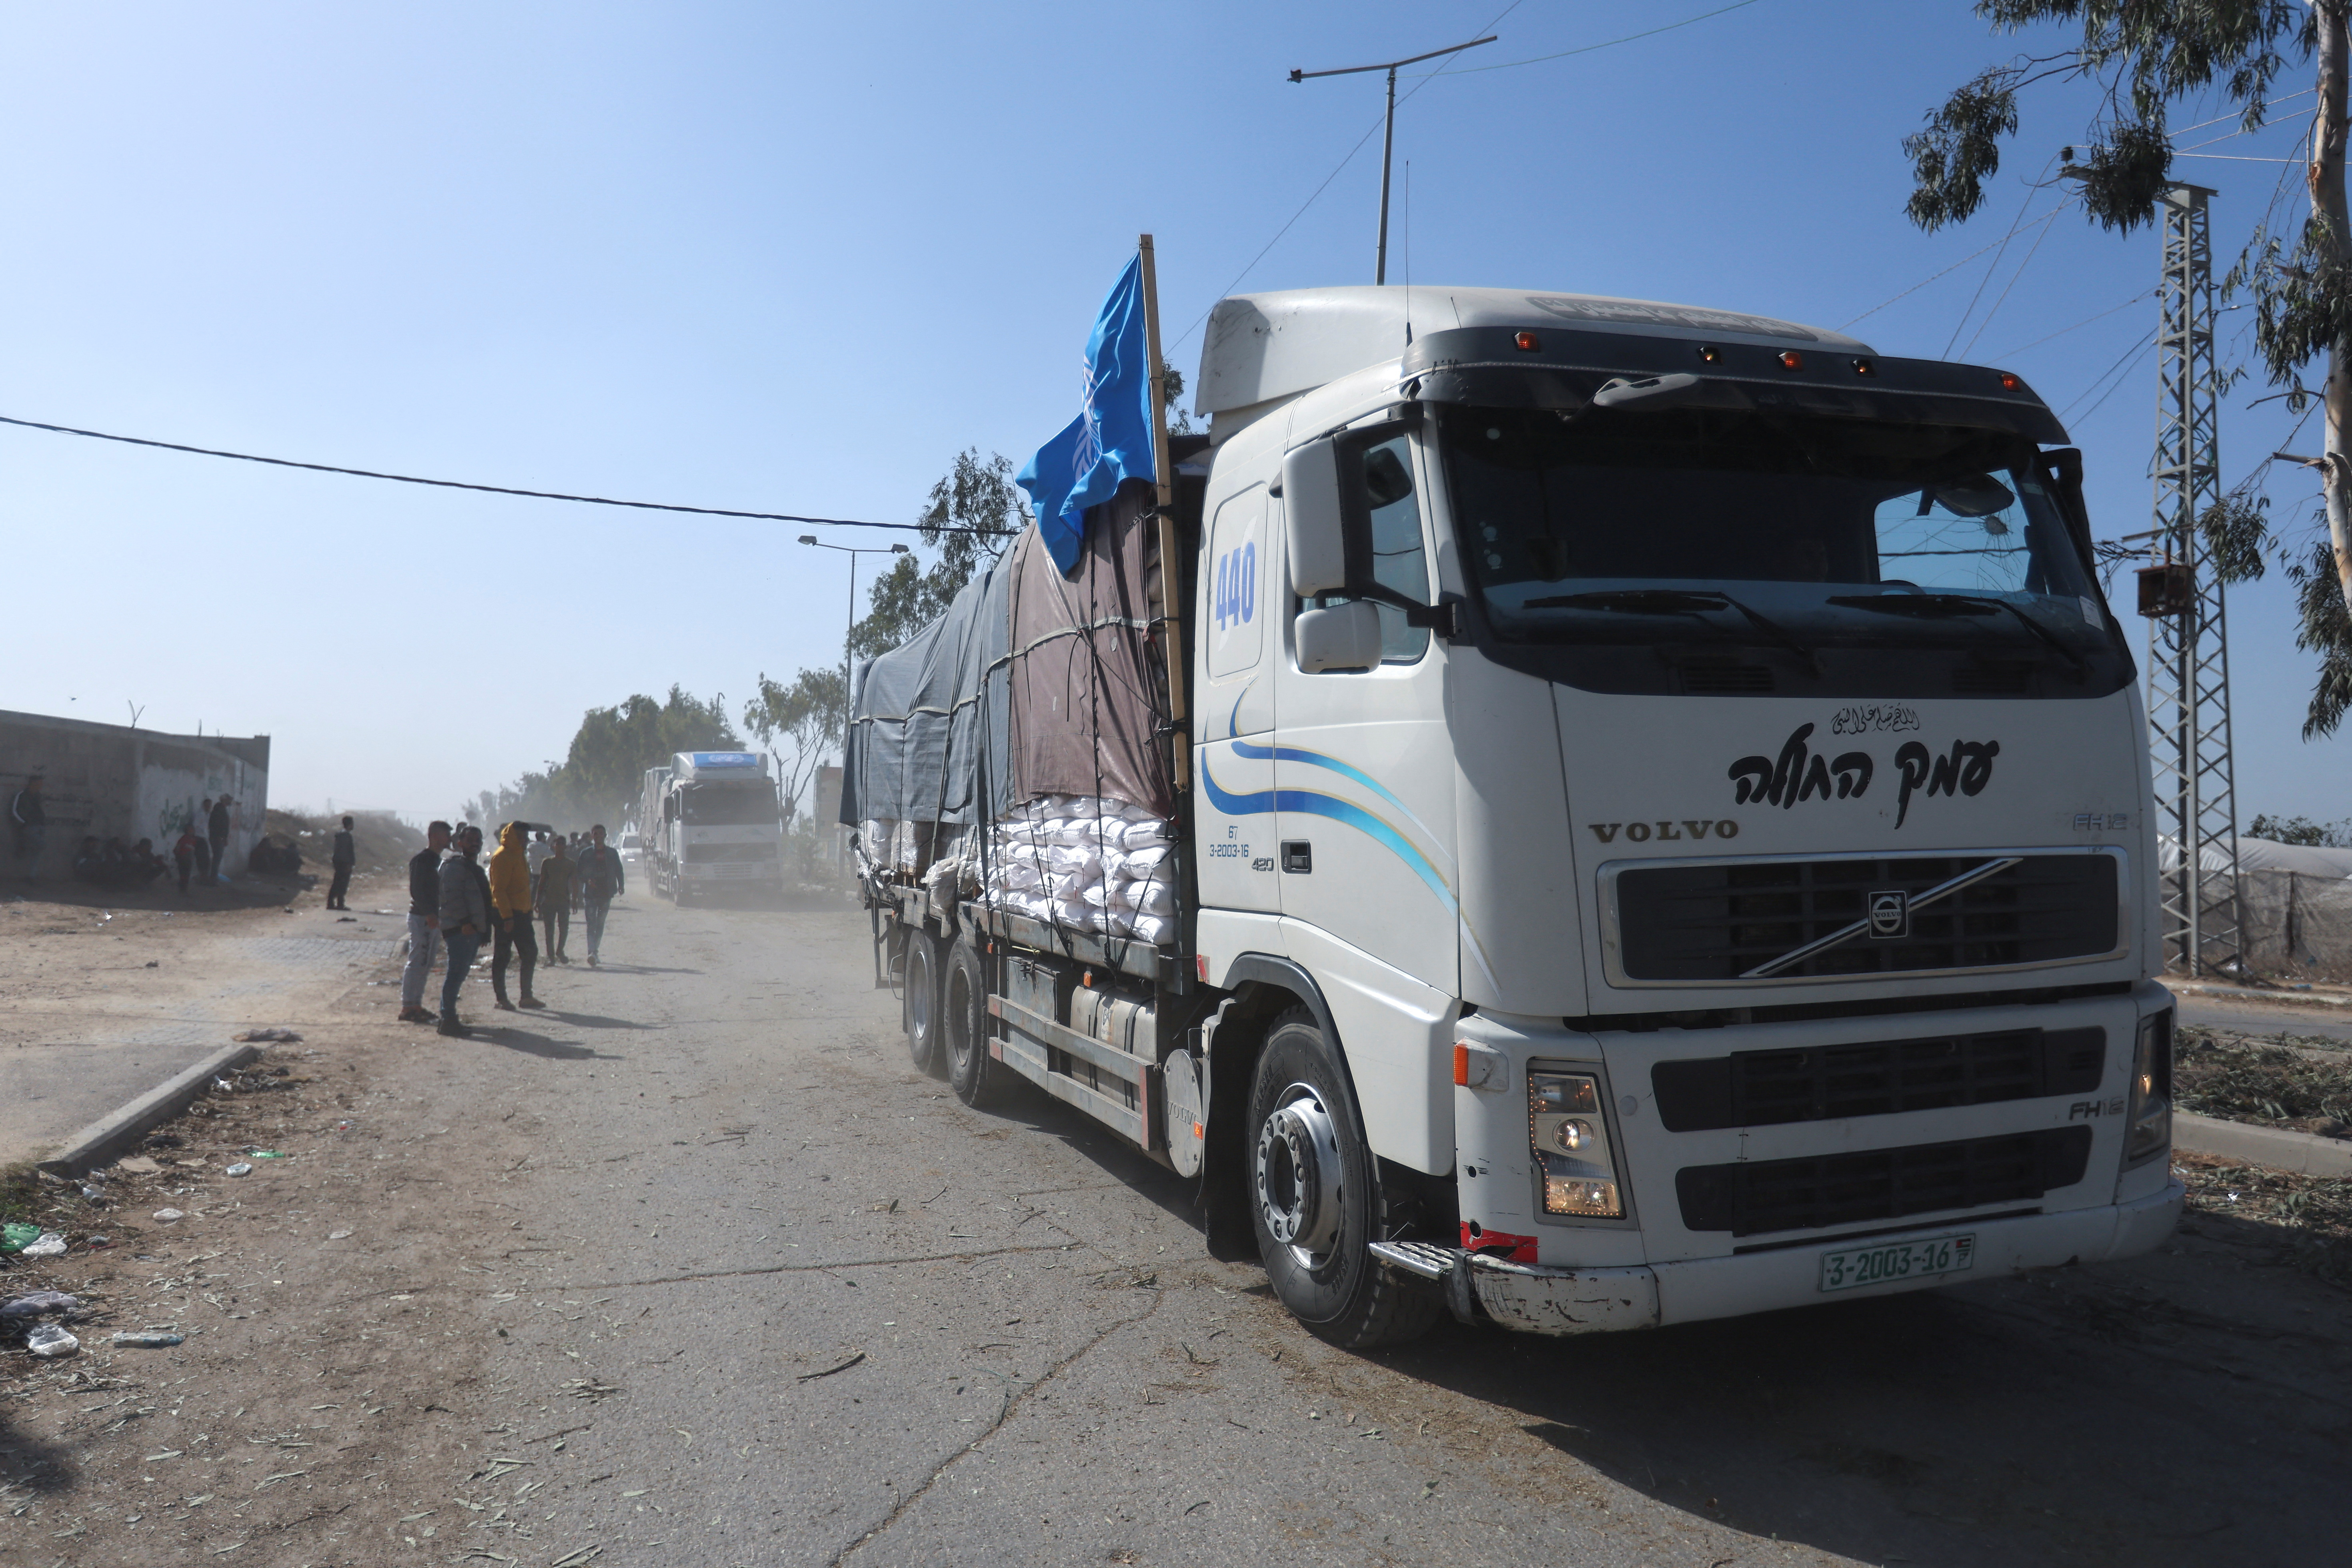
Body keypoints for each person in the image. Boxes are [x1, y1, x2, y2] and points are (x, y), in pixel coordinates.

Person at [436, 824, 492, 1037]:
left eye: (478, 840)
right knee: (455, 974)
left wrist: (484, 931)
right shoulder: (454, 866)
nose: (475, 844)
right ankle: (448, 1018)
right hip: (460, 930)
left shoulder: (471, 867)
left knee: (459, 974)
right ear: (460, 843)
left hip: (471, 930)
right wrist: (466, 922)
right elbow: (451, 898)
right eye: (470, 841)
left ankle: (448, 1018)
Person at [486, 821, 544, 1010]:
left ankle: (526, 997)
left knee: (530, 953)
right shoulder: (502, 857)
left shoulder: (520, 855)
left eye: (526, 837)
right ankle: (501, 998)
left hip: (522, 914)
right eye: (522, 836)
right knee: (503, 956)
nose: (526, 840)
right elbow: (499, 891)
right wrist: (507, 918)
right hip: (507, 915)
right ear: (513, 836)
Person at [399, 821, 452, 1023]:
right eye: (446, 835)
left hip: (432, 918)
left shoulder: (439, 861)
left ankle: (415, 1005)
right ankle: (408, 1006)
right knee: (417, 962)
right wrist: (430, 913)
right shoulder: (423, 861)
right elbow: (417, 890)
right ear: (435, 836)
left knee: (426, 963)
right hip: (423, 917)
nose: (449, 839)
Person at [576, 823, 624, 968]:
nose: (598, 837)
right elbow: (579, 872)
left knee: (601, 923)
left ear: (605, 836)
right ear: (592, 836)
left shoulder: (612, 853)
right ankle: (592, 952)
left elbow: (619, 870)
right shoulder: (585, 854)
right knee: (591, 924)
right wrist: (587, 880)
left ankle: (595, 951)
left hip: (606, 892)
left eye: (601, 834)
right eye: (595, 834)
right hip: (591, 894)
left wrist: (621, 885)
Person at [537, 833, 575, 964]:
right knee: (549, 930)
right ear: (554, 846)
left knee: (564, 929)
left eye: (562, 844)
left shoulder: (570, 864)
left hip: (564, 900)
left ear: (566, 847)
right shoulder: (547, 863)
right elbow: (542, 882)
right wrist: (538, 900)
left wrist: (575, 900)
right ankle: (551, 956)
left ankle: (560, 950)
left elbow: (574, 883)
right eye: (558, 844)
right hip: (549, 901)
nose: (560, 846)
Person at [10, 775, 46, 881]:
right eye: (39, 783)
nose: (41, 786)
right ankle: (23, 846)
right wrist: (24, 824)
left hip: (39, 826)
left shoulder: (39, 796)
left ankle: (32, 876)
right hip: (28, 827)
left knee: (36, 853)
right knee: (42, 845)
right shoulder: (22, 795)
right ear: (32, 783)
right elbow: (14, 811)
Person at [327, 814, 356, 910]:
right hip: (343, 863)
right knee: (342, 883)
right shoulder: (346, 836)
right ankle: (339, 904)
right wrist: (348, 864)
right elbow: (345, 851)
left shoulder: (341, 835)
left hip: (339, 862)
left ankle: (333, 903)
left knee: (338, 882)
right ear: (350, 824)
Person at [208, 795, 234, 884]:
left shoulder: (220, 810)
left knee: (217, 858)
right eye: (229, 800)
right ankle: (213, 879)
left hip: (217, 838)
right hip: (218, 838)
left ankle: (213, 878)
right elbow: (220, 827)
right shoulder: (220, 811)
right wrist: (222, 838)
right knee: (217, 858)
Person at [173, 823, 200, 895]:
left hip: (189, 860)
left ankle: (184, 889)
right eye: (190, 830)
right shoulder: (184, 839)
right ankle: (183, 889)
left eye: (192, 829)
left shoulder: (194, 840)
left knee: (187, 875)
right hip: (183, 859)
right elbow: (177, 849)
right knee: (184, 874)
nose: (192, 831)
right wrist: (178, 857)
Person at [192, 799, 214, 887]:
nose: (208, 807)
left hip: (205, 839)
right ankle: (202, 878)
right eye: (207, 805)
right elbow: (196, 826)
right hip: (199, 839)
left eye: (210, 805)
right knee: (202, 860)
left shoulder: (209, 815)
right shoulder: (199, 815)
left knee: (206, 860)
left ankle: (204, 878)